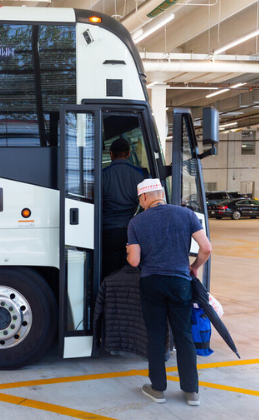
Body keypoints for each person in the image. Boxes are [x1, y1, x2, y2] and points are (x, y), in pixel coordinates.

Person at [126, 179, 212, 407]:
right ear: (161, 193)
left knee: (155, 335)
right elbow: (206, 248)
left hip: (152, 283)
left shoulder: (136, 222)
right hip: (180, 283)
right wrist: (194, 267)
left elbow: (134, 261)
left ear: (143, 198)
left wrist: (128, 253)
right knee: (183, 335)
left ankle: (158, 389)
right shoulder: (186, 215)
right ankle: (192, 392)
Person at [101, 138, 147, 277]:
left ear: (111, 154)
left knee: (110, 272)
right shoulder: (139, 174)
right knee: (129, 272)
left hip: (109, 231)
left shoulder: (102, 174)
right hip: (131, 231)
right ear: (128, 153)